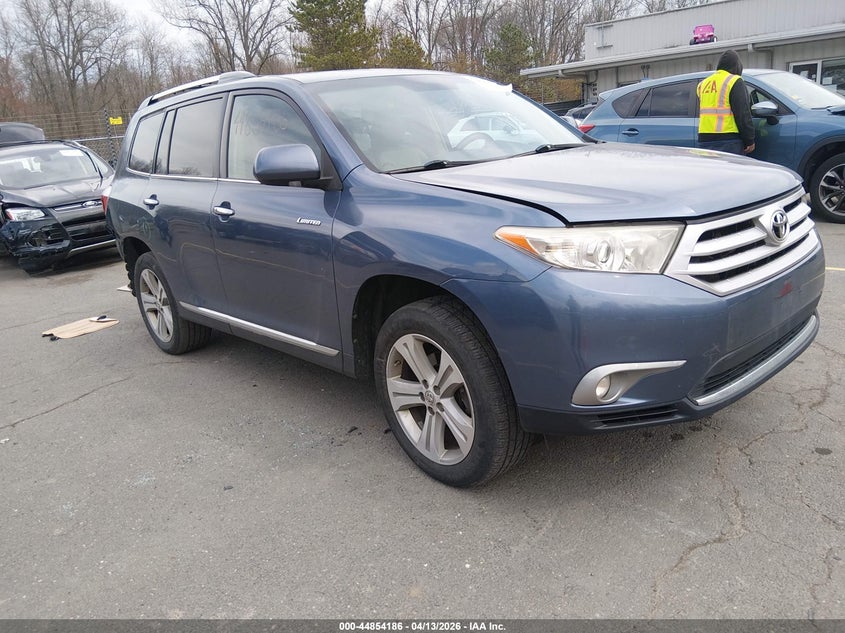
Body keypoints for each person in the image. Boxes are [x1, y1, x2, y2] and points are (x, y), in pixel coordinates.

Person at [696, 50, 756, 155]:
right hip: (728, 140)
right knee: (731, 170)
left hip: (704, 140)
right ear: (737, 66)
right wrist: (749, 140)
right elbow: (742, 113)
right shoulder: (734, 81)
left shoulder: (703, 84)